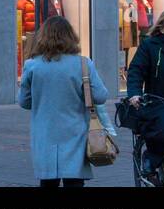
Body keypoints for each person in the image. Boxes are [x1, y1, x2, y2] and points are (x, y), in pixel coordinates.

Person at [19, 16, 109, 187]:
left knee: (47, 181)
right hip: (75, 130)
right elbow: (100, 96)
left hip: (44, 131)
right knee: (74, 180)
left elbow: (24, 101)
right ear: (70, 36)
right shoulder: (83, 64)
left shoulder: (32, 65)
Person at [126, 9, 164, 177]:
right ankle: (151, 159)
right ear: (161, 28)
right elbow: (136, 71)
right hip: (159, 100)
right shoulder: (150, 45)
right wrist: (134, 93)